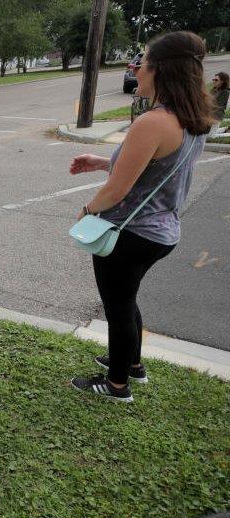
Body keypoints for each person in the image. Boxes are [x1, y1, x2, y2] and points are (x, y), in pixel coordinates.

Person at [68, 31, 211, 402]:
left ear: (159, 70)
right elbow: (156, 171)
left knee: (117, 306)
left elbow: (118, 190)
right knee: (126, 299)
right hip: (161, 231)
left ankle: (117, 385)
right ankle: (132, 365)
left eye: (142, 62)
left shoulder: (152, 122)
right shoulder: (192, 119)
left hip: (131, 233)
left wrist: (86, 211)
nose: (137, 69)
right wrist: (101, 162)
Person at [210, 72, 228, 136]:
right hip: (209, 115)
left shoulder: (225, 92)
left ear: (222, 82)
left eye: (216, 80)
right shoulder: (213, 90)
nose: (214, 81)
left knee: (211, 136)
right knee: (207, 134)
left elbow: (218, 106)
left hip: (216, 116)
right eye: (213, 80)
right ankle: (225, 129)